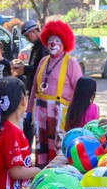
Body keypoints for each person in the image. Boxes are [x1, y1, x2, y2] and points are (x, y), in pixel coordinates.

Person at [28, 20, 82, 167]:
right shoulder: (43, 61)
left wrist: (75, 115)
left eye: (57, 40)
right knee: (42, 146)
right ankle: (41, 171)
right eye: (50, 40)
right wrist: (28, 110)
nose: (53, 43)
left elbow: (79, 90)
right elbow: (34, 86)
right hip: (41, 112)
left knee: (57, 147)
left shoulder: (71, 63)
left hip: (60, 114)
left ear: (64, 42)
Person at [0, 77, 41, 189]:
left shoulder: (3, 127)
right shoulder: (12, 132)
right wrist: (39, 171)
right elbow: (16, 172)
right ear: (23, 100)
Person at [12, 20, 48, 142]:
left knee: (30, 123)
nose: (28, 38)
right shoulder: (37, 46)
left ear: (34, 31)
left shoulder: (43, 46)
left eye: (28, 35)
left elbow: (40, 69)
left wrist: (25, 69)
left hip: (39, 91)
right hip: (32, 88)